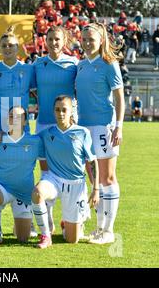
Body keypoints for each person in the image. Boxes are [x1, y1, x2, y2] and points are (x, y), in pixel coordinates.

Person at [76, 22, 125, 245]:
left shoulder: (109, 64)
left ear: (101, 40)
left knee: (107, 178)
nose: (87, 43)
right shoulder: (81, 65)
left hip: (104, 126)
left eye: (91, 39)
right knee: (94, 179)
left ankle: (108, 230)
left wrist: (119, 126)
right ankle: (98, 227)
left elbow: (119, 98)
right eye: (84, 39)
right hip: (84, 128)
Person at [32, 95, 99, 248]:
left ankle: (68, 224)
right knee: (37, 192)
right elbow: (26, 140)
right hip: (53, 179)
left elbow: (93, 162)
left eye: (64, 110)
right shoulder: (47, 133)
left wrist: (96, 189)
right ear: (53, 112)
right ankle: (46, 236)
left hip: (76, 185)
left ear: (71, 112)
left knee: (72, 239)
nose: (60, 113)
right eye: (57, 110)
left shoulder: (82, 133)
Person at [33, 25, 78, 234]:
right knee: (45, 172)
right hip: (43, 123)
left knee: (70, 170)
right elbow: (29, 88)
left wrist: (75, 111)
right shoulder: (38, 64)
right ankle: (47, 217)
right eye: (50, 39)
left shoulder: (73, 64)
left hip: (67, 127)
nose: (53, 43)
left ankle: (75, 215)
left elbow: (82, 89)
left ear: (65, 41)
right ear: (45, 41)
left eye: (57, 39)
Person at [0, 106, 42, 247]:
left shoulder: (34, 141)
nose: (14, 119)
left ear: (25, 122)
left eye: (18, 117)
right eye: (11, 116)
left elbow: (47, 164)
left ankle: (22, 223)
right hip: (2, 188)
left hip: (24, 192)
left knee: (23, 238)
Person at [0, 26, 36, 133]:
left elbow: (34, 91)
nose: (7, 48)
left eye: (11, 45)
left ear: (17, 48)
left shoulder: (28, 69)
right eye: (4, 46)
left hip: (20, 122)